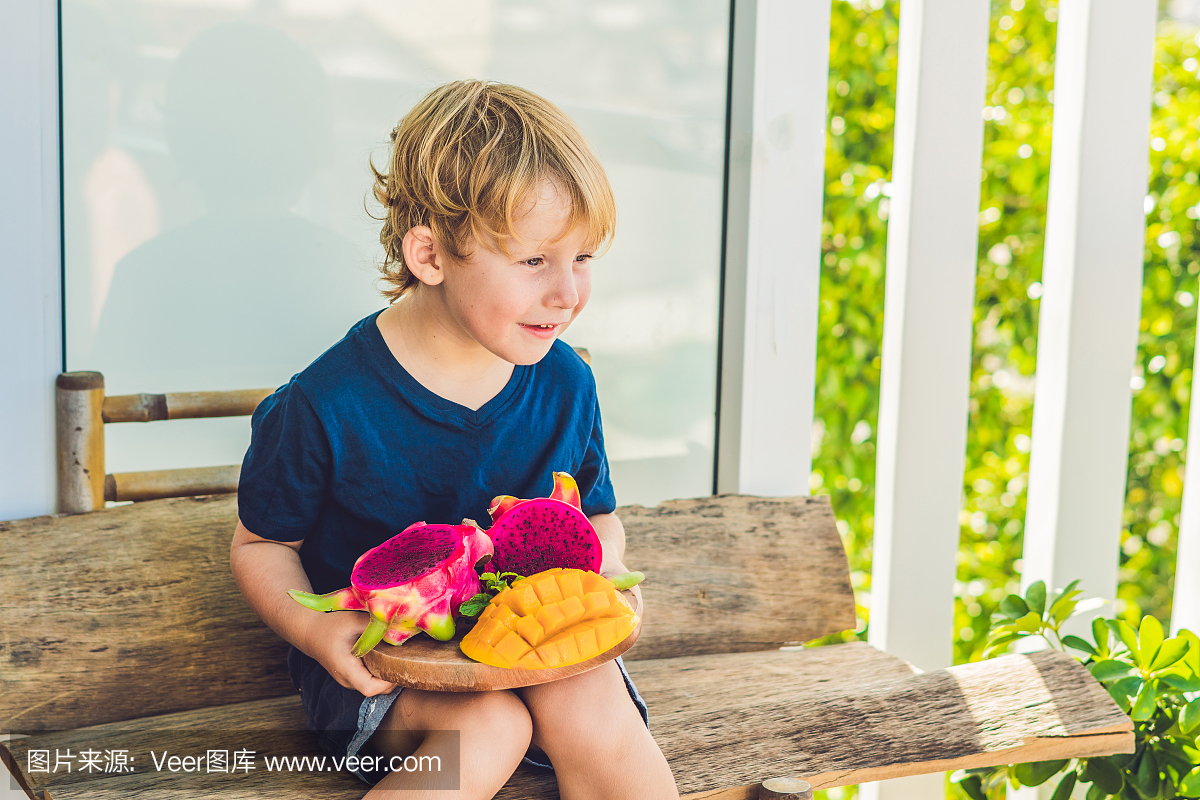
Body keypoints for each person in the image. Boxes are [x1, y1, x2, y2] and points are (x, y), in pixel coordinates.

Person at [228, 80, 680, 799]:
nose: (568, 292)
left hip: (538, 643)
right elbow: (261, 546)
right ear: (430, 255)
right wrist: (319, 637)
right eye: (535, 261)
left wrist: (603, 579)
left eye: (584, 257)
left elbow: (595, 514)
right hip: (390, 672)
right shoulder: (323, 404)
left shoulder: (567, 383)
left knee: (590, 705)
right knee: (490, 728)